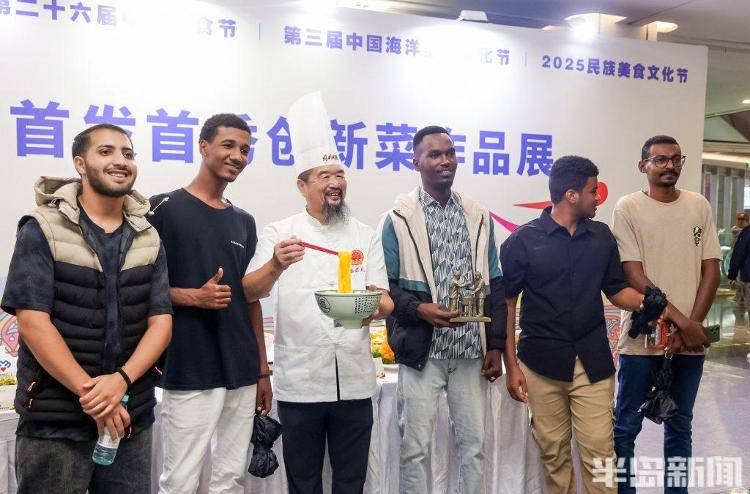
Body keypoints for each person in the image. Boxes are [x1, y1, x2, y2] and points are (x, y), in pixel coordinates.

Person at [1, 123, 173, 493]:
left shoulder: (148, 234)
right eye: (106, 151)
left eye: (128, 153)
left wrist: (121, 381)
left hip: (130, 416)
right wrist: (96, 397)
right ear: (80, 164)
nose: (120, 161)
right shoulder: (42, 227)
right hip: (56, 420)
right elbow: (32, 323)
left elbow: (161, 322)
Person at [244, 92, 393, 494]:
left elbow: (386, 301)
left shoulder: (365, 234)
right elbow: (248, 292)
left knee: (351, 481)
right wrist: (276, 265)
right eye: (324, 176)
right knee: (304, 482)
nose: (335, 183)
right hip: (300, 383)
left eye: (340, 175)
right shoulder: (280, 233)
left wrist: (370, 308)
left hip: (356, 383)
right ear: (302, 185)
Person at [501, 155, 660, 494]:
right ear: (571, 195)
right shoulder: (522, 241)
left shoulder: (601, 237)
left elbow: (616, 290)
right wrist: (511, 366)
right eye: (593, 191)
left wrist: (647, 302)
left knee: (600, 453)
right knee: (554, 454)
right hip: (540, 364)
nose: (598, 197)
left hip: (591, 362)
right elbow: (507, 305)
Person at [379, 125, 506, 493]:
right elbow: (386, 286)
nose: (445, 160)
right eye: (434, 154)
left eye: (450, 153)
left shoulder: (478, 216)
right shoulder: (398, 218)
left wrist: (495, 345)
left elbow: (495, 283)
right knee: (414, 449)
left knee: (474, 448)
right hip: (423, 352)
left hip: (470, 351)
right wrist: (420, 310)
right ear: (416, 162)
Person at [152, 114, 272, 494]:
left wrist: (262, 371)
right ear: (203, 147)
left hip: (240, 368)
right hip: (189, 365)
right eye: (228, 145)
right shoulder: (162, 209)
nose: (237, 156)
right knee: (180, 479)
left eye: (245, 149)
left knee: (230, 479)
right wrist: (193, 296)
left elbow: (250, 299)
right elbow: (136, 289)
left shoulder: (244, 221)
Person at [612, 135, 720, 493]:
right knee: (626, 428)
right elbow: (634, 275)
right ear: (643, 166)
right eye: (660, 160)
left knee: (680, 426)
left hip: (688, 344)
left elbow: (711, 269)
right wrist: (684, 323)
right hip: (642, 340)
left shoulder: (698, 205)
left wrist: (692, 327)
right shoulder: (628, 208)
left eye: (675, 159)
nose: (669, 165)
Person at [729, 212, 749, 306]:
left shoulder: (746, 233)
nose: (740, 221)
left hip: (744, 262)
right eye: (738, 219)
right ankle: (740, 297)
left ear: (746, 221)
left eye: (742, 219)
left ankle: (742, 298)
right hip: (737, 260)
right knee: (738, 280)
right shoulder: (735, 231)